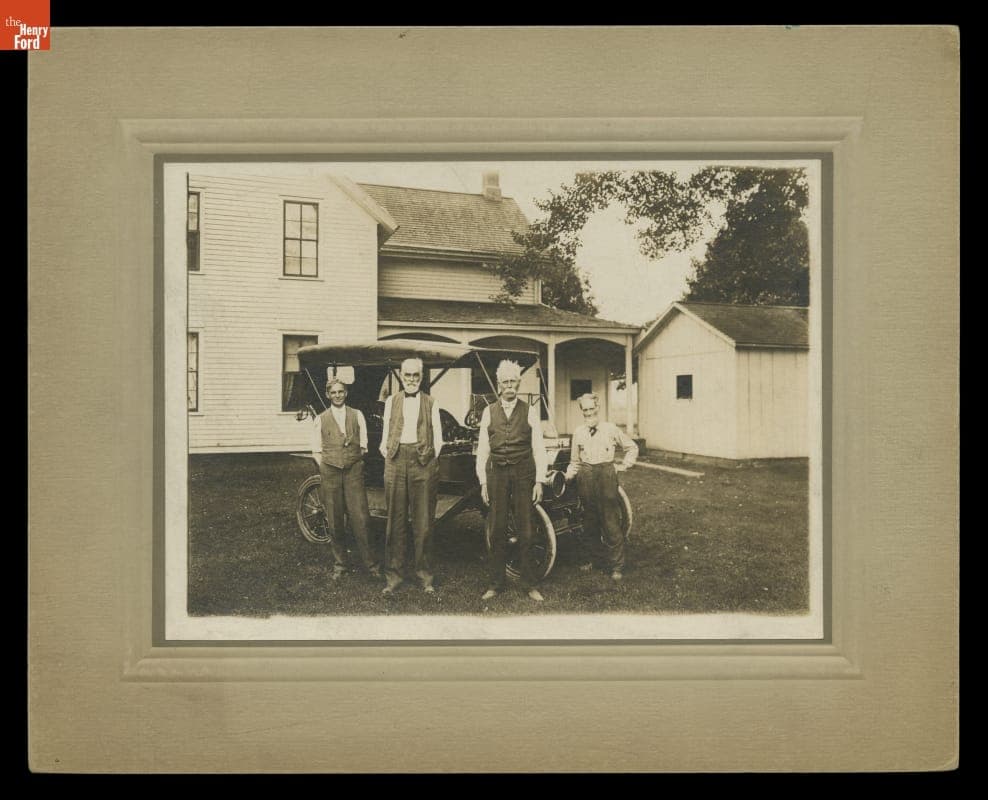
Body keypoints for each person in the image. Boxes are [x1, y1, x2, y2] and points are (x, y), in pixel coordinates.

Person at [476, 360, 549, 602]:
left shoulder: (530, 411)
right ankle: (496, 584)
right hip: (497, 474)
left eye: (513, 382)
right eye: (505, 382)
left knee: (526, 529)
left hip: (523, 473)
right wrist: (483, 482)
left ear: (518, 383)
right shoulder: (489, 411)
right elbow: (483, 450)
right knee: (496, 529)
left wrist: (539, 481)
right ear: (499, 385)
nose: (509, 386)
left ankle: (529, 584)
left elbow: (539, 447)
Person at [378, 357, 444, 595]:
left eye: (416, 375)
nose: (412, 380)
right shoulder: (391, 402)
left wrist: (428, 458)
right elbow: (385, 435)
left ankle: (425, 577)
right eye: (407, 375)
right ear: (401, 376)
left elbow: (439, 439)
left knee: (423, 522)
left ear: (422, 377)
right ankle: (393, 577)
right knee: (395, 522)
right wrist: (389, 454)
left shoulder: (431, 402)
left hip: (423, 463)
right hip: (395, 461)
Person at [310, 377, 379, 581]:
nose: (337, 395)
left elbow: (364, 446)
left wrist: (351, 461)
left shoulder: (357, 415)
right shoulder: (320, 419)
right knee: (335, 519)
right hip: (330, 473)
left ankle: (372, 565)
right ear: (327, 395)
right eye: (333, 392)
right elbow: (316, 450)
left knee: (361, 519)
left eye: (341, 392)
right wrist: (328, 464)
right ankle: (340, 564)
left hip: (353, 472)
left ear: (346, 393)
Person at [565, 392, 638, 581]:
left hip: (606, 474)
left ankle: (617, 566)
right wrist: (568, 476)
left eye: (591, 409)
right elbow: (574, 461)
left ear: (597, 408)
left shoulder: (610, 429)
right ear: (582, 411)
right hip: (586, 475)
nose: (588, 413)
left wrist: (623, 465)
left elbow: (632, 447)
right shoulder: (578, 432)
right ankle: (593, 560)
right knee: (589, 520)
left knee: (610, 520)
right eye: (585, 410)